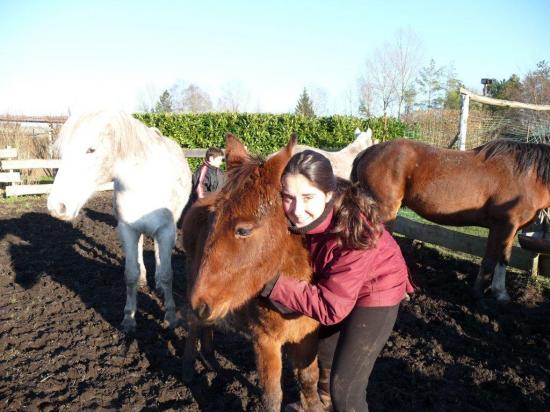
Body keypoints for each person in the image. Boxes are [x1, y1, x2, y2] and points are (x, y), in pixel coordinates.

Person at [261, 150, 414, 412]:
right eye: (288, 197)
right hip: (336, 285)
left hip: (376, 290)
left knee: (346, 389)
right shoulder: (300, 218)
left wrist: (273, 284)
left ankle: (338, 402)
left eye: (308, 197)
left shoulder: (355, 233)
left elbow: (332, 308)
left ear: (328, 194)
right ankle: (323, 404)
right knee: (324, 351)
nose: (297, 210)